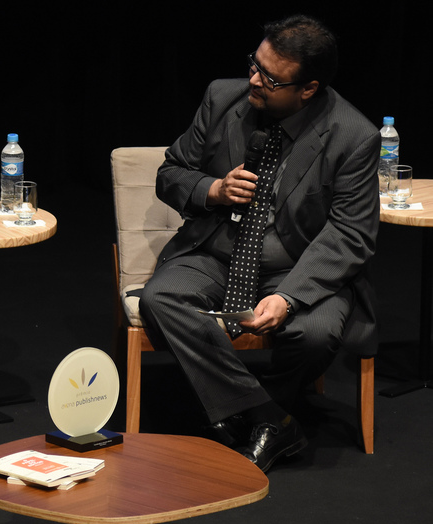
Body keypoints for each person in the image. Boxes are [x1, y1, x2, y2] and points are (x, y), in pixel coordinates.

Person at [139, 15, 379, 472]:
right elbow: (171, 173)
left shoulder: (353, 136)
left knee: (315, 334)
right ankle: (266, 417)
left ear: (307, 89)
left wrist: (289, 297)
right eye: (254, 64)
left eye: (269, 78)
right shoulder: (222, 97)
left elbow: (352, 232)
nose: (254, 79)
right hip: (217, 250)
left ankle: (235, 411)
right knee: (161, 297)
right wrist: (212, 189)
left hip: (297, 266)